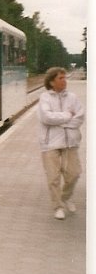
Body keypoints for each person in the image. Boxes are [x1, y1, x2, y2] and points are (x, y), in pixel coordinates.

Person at [37, 67, 85, 220]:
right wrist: (67, 116)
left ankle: (65, 197)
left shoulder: (73, 97)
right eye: (61, 78)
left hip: (71, 142)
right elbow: (46, 118)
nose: (65, 81)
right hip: (50, 143)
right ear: (52, 82)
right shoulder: (45, 98)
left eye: (65, 78)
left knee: (74, 173)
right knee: (53, 177)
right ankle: (57, 206)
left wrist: (61, 122)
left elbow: (80, 117)